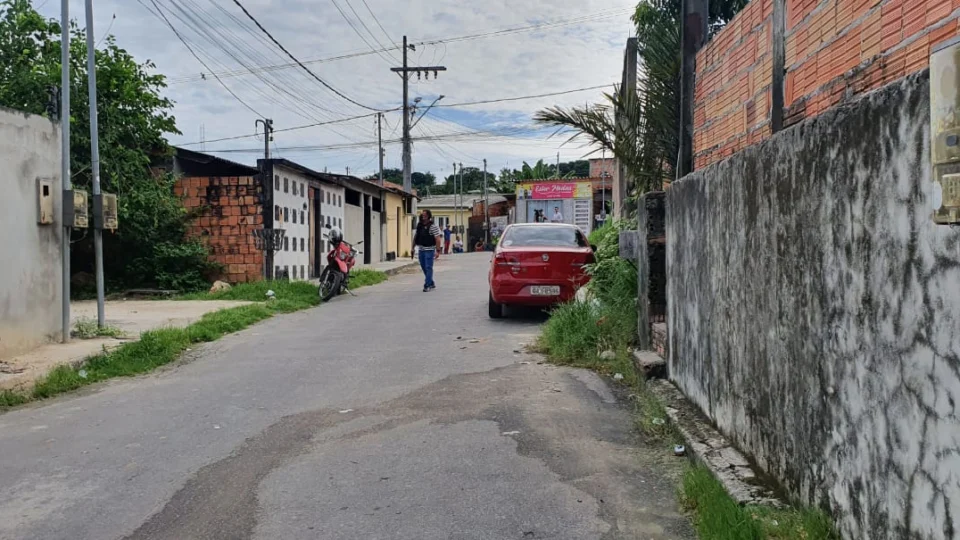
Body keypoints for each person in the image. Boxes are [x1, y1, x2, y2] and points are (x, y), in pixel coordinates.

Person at [413, 209, 442, 292]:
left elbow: (438, 239)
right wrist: (412, 248)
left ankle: (427, 285)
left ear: (429, 216)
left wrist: (438, 251)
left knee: (428, 267)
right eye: (422, 215)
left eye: (425, 215)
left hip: (429, 250)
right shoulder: (420, 226)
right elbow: (416, 237)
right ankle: (431, 282)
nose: (423, 216)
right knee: (423, 267)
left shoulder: (433, 226)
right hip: (421, 249)